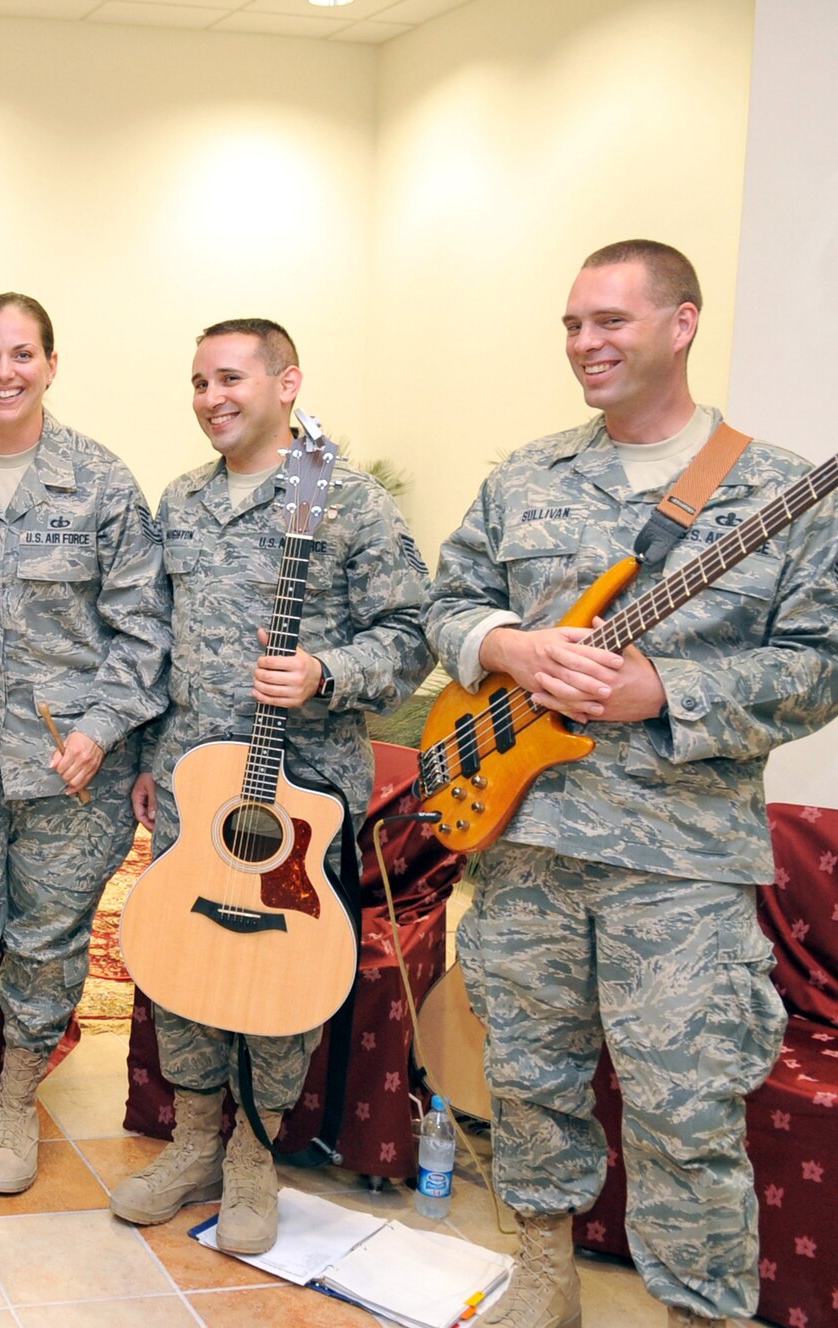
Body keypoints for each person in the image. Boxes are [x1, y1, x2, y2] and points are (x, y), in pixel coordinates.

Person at [427, 241, 838, 1328]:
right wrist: (507, 647)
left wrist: (665, 689)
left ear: (680, 322)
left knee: (682, 1105)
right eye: (570, 324)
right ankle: (543, 1269)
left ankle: (696, 1308)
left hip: (681, 859)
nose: (583, 344)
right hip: (525, 839)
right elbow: (445, 604)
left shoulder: (781, 490)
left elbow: (819, 664)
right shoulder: (523, 476)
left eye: (608, 321)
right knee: (525, 1075)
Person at [110, 318, 431, 1252]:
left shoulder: (352, 504)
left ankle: (254, 1156)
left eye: (232, 379)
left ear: (288, 383)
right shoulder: (179, 502)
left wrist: (325, 670)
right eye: (200, 381)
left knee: (279, 967)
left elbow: (412, 634)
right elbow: (153, 645)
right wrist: (143, 759)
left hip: (298, 799)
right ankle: (194, 1142)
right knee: (181, 959)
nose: (212, 398)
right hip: (187, 786)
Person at [0, 293, 167, 1192]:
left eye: (22, 354)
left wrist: (99, 730)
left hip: (73, 769)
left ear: (53, 364)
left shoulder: (102, 482)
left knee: (47, 943)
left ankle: (16, 1102)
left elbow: (144, 629)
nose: (4, 371)